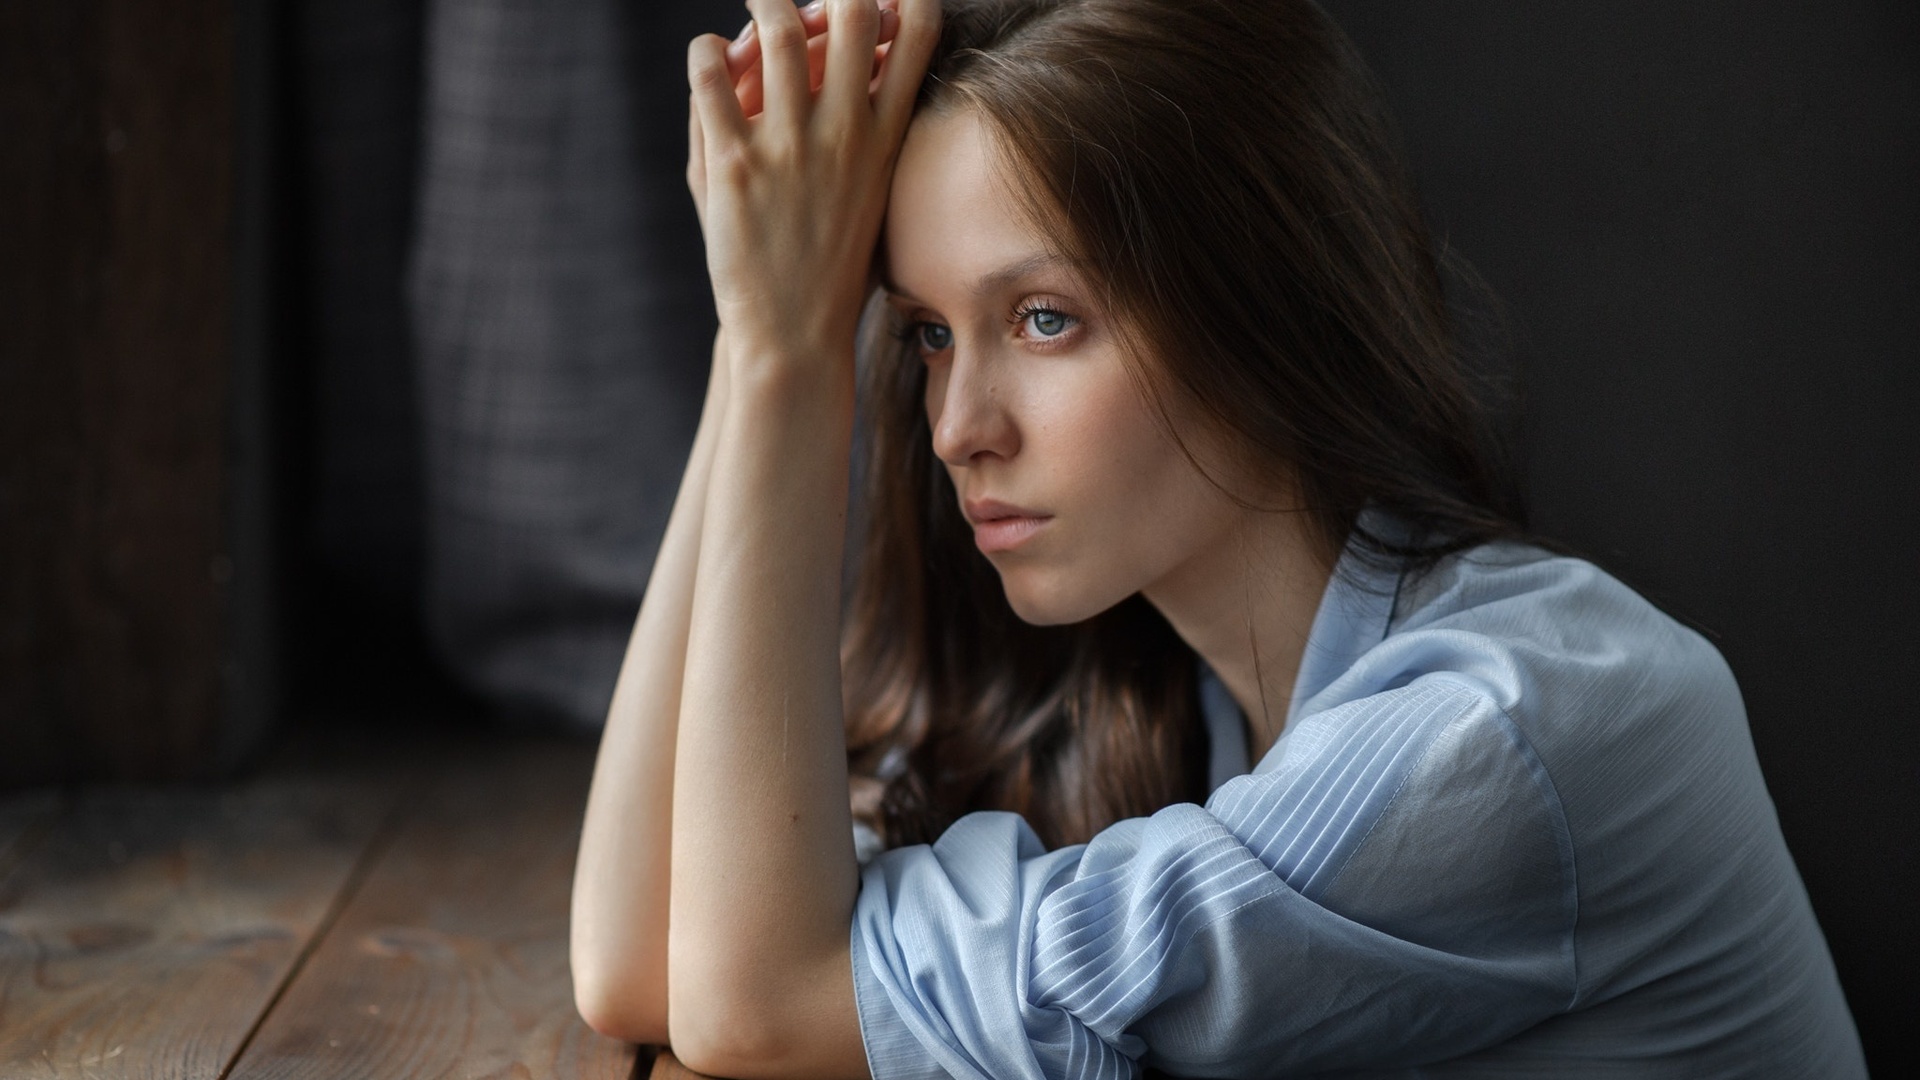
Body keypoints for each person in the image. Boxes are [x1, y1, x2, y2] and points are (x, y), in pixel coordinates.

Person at [569, 0, 1867, 1075]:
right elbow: (639, 960)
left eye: (1042, 319)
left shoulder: (1497, 739)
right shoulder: (1184, 702)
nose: (958, 426)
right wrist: (762, 337)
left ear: (1260, 305)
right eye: (926, 333)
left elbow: (751, 1003)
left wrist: (792, 353)